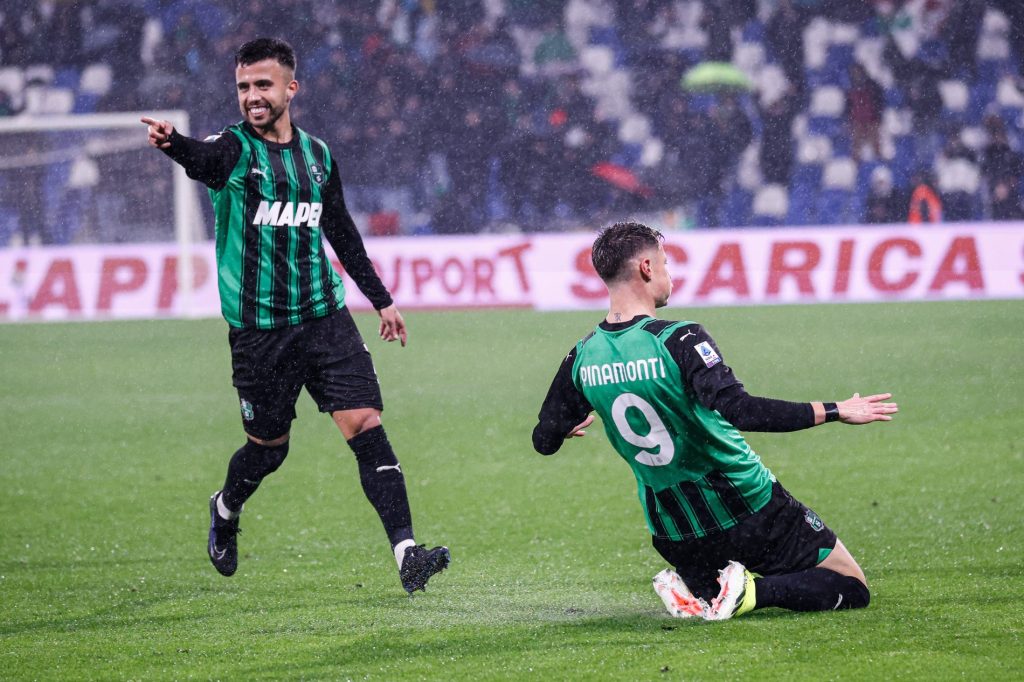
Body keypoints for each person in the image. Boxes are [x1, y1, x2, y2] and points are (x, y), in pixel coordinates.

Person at [141, 37, 449, 594]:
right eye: (243, 87)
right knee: (269, 448)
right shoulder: (234, 150)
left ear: (290, 88)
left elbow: (342, 231)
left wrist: (381, 299)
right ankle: (227, 505)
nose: (252, 96)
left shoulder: (317, 155)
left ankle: (407, 554)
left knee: (365, 425)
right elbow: (205, 161)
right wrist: (174, 145)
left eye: (263, 85)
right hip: (260, 333)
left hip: (325, 318)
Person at [532, 222, 897, 621]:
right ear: (647, 268)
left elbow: (544, 439)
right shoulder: (680, 339)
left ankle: (700, 590)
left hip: (673, 531)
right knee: (850, 585)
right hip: (747, 507)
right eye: (666, 263)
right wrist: (835, 409)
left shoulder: (582, 356)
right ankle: (749, 592)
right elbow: (742, 411)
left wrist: (563, 427)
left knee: (714, 591)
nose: (670, 274)